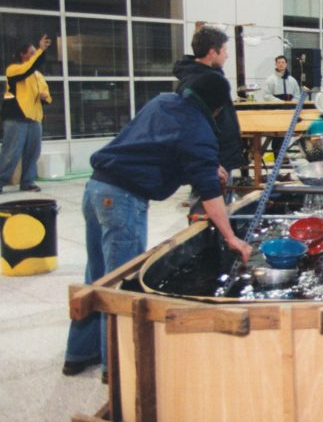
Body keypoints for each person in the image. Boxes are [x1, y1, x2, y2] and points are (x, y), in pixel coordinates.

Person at [63, 72, 253, 378]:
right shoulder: (199, 128)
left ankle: (79, 354)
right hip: (123, 200)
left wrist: (205, 166)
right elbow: (209, 193)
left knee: (98, 276)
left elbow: (158, 147)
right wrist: (232, 237)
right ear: (217, 108)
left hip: (96, 189)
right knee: (121, 289)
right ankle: (117, 371)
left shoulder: (163, 102)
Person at [173, 26, 246, 182]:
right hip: (213, 160)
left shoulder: (197, 77)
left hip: (216, 158)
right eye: (224, 50)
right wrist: (211, 162)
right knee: (211, 203)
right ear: (213, 53)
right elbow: (194, 128)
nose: (227, 56)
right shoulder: (206, 82)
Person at [0, 34, 53, 193]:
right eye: (31, 52)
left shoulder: (39, 76)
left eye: (34, 52)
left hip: (35, 118)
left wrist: (46, 97)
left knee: (33, 152)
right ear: (22, 55)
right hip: (17, 118)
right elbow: (27, 69)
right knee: (11, 152)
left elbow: (47, 94)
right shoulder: (14, 69)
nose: (33, 55)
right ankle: (1, 180)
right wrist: (41, 50)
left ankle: (28, 182)